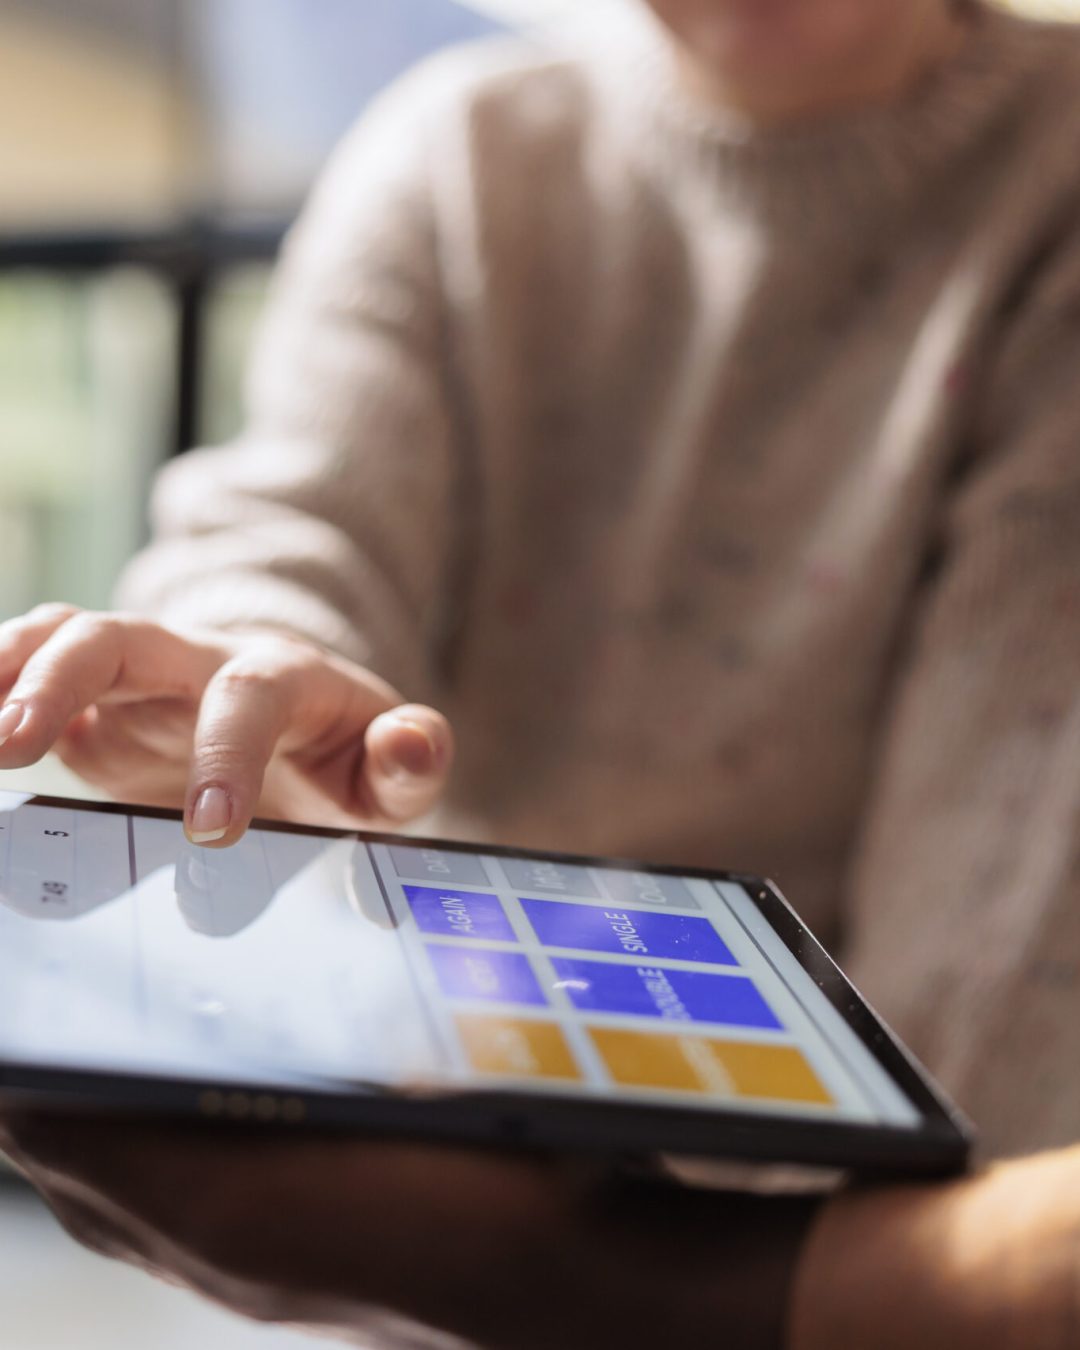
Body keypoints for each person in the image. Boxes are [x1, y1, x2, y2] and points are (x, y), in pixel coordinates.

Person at [1, 0, 1079, 1342]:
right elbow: (295, 515)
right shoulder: (459, 154)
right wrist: (245, 677)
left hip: (853, 1256)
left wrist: (741, 1285)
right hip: (480, 1138)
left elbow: (1011, 892)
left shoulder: (1057, 169)